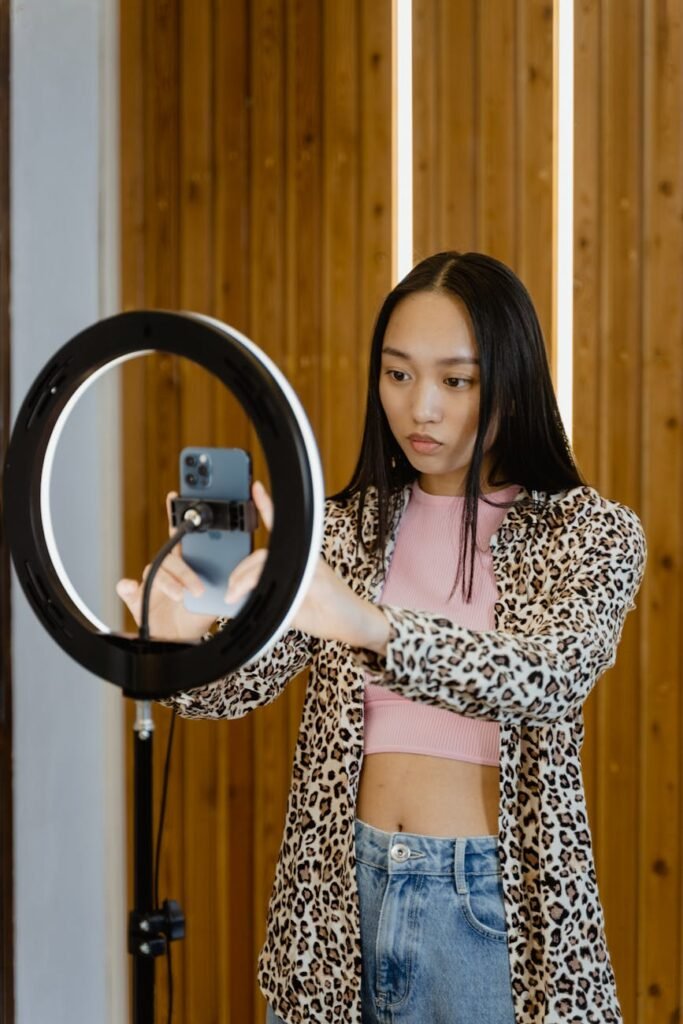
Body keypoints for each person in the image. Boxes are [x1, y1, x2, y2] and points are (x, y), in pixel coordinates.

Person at [117, 251, 647, 1024]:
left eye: (454, 380)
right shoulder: (341, 530)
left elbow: (545, 676)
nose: (419, 408)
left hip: (490, 908)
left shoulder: (591, 532)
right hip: (336, 901)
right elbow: (234, 691)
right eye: (397, 375)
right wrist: (184, 641)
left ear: (513, 378)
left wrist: (368, 625)